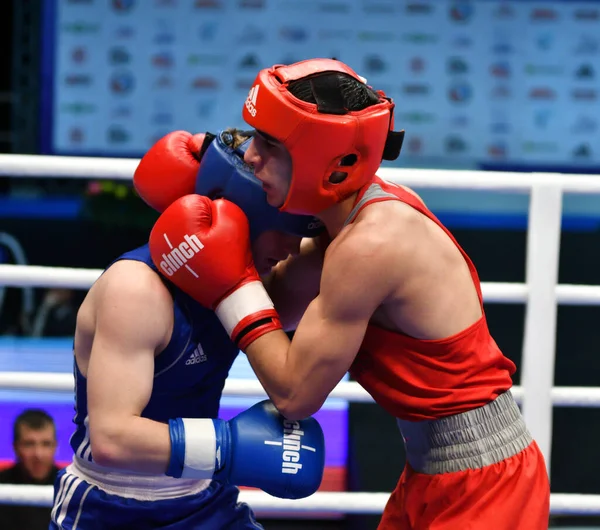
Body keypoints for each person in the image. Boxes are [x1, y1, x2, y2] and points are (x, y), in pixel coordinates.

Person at [149, 59, 551, 529]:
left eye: (270, 145)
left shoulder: (371, 244)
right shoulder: (344, 226)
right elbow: (275, 303)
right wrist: (217, 211)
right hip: (433, 473)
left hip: (484, 483)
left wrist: (233, 284)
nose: (252, 157)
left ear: (328, 162)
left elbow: (295, 392)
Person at [49, 129, 326, 530]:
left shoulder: (252, 281)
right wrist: (231, 447)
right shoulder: (138, 290)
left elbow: (329, 255)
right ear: (245, 212)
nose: (292, 246)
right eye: (285, 228)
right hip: (111, 506)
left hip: (204, 496)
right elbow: (111, 438)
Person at [0, 408, 60, 530]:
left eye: (46, 444)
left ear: (55, 446)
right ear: (15, 447)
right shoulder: (2, 485)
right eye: (29, 444)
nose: (38, 454)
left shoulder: (71, 488)